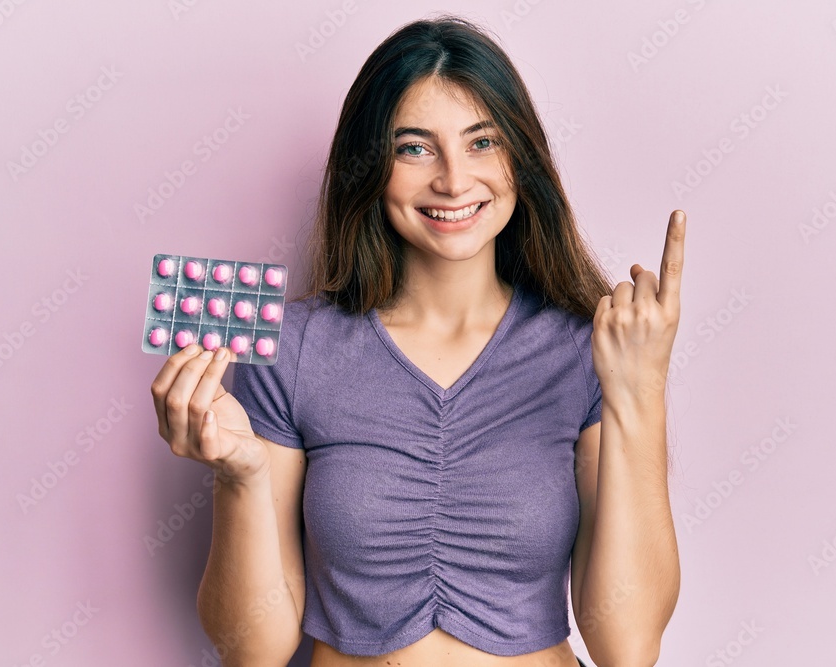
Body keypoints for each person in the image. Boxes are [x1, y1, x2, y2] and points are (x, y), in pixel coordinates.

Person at [151, 14, 684, 667]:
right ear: (370, 166)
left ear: (521, 158)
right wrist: (240, 476)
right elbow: (251, 650)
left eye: (482, 142)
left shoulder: (587, 350)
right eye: (414, 148)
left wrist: (639, 394)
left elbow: (628, 647)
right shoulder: (292, 349)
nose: (454, 180)